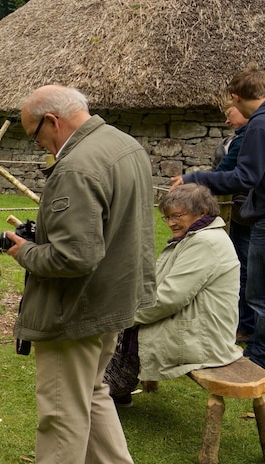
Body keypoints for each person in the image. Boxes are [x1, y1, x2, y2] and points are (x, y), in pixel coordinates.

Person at [0, 85, 155, 464]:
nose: (39, 145)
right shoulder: (124, 145)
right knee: (92, 390)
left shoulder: (75, 167)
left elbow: (75, 256)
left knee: (63, 401)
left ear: (53, 121)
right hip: (115, 297)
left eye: (35, 135)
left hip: (78, 307)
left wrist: (23, 251)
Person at [105, 185, 244, 406]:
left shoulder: (205, 243)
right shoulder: (193, 238)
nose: (171, 223)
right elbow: (161, 288)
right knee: (120, 320)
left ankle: (111, 387)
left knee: (120, 326)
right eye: (167, 217)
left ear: (202, 212)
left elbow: (168, 299)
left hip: (206, 340)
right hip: (195, 326)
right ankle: (115, 387)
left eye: (177, 216)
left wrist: (124, 316)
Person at [170, 65, 265, 367]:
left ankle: (259, 358)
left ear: (236, 97)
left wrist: (196, 178)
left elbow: (244, 177)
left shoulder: (259, 126)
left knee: (258, 292)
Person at [214, 105, 254, 341]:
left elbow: (228, 173)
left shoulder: (249, 138)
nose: (227, 121)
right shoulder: (237, 139)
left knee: (245, 270)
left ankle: (247, 327)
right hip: (239, 211)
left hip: (245, 212)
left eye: (230, 113)